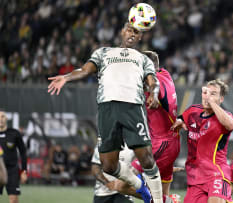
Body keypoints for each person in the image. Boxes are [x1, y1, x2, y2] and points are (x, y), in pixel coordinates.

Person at [47, 23, 163, 203]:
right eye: (129, 30)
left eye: (137, 32)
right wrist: (66, 77)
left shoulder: (142, 59)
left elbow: (153, 81)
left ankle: (158, 200)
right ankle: (140, 186)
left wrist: (154, 94)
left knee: (147, 159)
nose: (132, 34)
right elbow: (85, 70)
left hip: (132, 107)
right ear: (122, 31)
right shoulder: (103, 52)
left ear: (141, 37)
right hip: (106, 109)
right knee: (108, 166)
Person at [171, 79, 233, 203]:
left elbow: (230, 124)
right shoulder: (193, 110)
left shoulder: (224, 116)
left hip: (216, 173)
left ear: (221, 99)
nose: (208, 96)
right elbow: (181, 118)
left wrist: (211, 102)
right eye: (206, 92)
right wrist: (179, 122)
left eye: (213, 94)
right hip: (195, 177)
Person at [131, 51, 180, 200]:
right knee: (162, 191)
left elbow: (155, 88)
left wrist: (154, 96)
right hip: (171, 142)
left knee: (126, 177)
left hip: (162, 144)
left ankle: (168, 201)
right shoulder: (165, 73)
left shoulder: (155, 82)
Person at [0, 111, 28, 203]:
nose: (0, 119)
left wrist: (24, 171)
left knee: (13, 199)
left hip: (12, 171)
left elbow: (23, 152)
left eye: (3, 116)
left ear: (6, 118)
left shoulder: (14, 133)